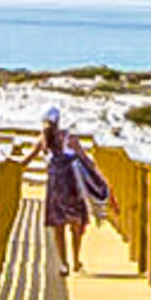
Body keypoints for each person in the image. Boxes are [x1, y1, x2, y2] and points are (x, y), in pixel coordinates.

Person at [40, 109, 108, 275]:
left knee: (60, 226)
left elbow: (34, 155)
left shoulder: (50, 139)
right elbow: (85, 159)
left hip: (59, 187)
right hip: (70, 186)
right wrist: (98, 177)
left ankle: (67, 263)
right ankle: (73, 261)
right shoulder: (66, 139)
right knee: (75, 224)